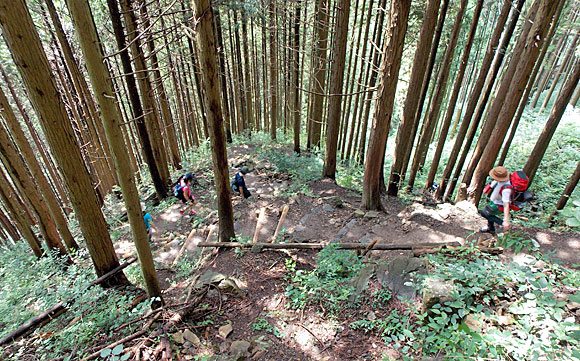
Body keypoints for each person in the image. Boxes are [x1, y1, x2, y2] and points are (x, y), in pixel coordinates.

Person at [479, 166, 512, 234]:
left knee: (484, 213)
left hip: (499, 205)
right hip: (495, 201)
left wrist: (506, 220)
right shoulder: (500, 181)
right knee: (489, 211)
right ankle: (490, 228)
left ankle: (502, 224)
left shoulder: (506, 189)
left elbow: (506, 204)